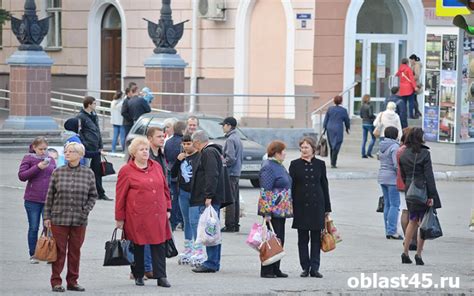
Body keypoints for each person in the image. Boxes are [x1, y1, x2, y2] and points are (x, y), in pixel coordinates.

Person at [115, 136, 172, 288]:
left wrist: (168, 207)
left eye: (146, 149)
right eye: (141, 150)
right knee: (138, 245)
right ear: (134, 153)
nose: (145, 152)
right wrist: (119, 218)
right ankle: (139, 274)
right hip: (137, 215)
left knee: (159, 245)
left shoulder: (156, 166)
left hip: (157, 213)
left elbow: (165, 189)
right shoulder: (126, 170)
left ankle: (161, 276)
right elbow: (120, 196)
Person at [43, 142, 98, 292]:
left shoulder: (88, 173)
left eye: (71, 151)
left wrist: (85, 211)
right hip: (59, 218)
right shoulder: (58, 172)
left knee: (75, 251)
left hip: (79, 220)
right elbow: (50, 196)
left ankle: (73, 281)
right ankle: (56, 281)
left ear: (80, 155)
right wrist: (47, 217)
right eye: (66, 151)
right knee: (59, 251)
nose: (67, 154)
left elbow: (93, 195)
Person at [289, 137, 331, 278]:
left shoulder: (320, 164)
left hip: (317, 205)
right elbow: (291, 187)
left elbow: (324, 186)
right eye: (302, 147)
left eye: (306, 147)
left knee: (316, 238)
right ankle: (305, 267)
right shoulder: (294, 164)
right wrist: (290, 205)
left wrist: (327, 209)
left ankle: (314, 267)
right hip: (300, 206)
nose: (304, 150)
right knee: (302, 239)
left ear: (313, 149)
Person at [399, 127, 441, 265]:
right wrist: (432, 195)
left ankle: (405, 252)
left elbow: (403, 174)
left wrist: (407, 186)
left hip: (409, 190)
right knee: (423, 223)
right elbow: (429, 176)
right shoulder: (424, 153)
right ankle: (418, 254)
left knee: (412, 220)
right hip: (422, 191)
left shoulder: (404, 153)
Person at [190, 130, 230, 273]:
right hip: (215, 197)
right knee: (213, 229)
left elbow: (211, 175)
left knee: (210, 229)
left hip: (211, 198)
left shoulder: (208, 152)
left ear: (197, 142)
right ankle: (213, 261)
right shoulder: (215, 151)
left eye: (194, 143)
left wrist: (208, 196)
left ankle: (211, 262)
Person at [18, 137, 56, 264]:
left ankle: (49, 254)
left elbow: (55, 175)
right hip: (32, 199)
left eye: (45, 149)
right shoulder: (28, 158)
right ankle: (33, 254)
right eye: (40, 149)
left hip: (48, 200)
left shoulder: (50, 159)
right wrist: (38, 167)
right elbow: (22, 176)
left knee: (49, 227)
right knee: (34, 227)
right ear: (34, 147)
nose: (43, 152)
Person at [257, 140, 293, 278]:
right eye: (283, 150)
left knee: (279, 240)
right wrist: (266, 212)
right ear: (276, 152)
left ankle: (276, 268)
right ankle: (267, 269)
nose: (285, 153)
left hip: (281, 210)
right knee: (270, 240)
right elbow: (265, 191)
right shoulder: (268, 167)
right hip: (272, 211)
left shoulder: (279, 165)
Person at [170, 134, 203, 265]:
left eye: (188, 143)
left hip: (195, 193)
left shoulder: (199, 156)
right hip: (183, 192)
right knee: (186, 221)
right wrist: (178, 161)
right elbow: (172, 174)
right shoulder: (182, 157)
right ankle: (188, 248)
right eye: (184, 144)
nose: (186, 146)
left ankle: (198, 249)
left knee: (195, 221)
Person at [77, 96, 111, 201]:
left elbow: (98, 132)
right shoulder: (81, 117)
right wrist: (85, 143)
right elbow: (79, 132)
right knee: (87, 172)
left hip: (96, 148)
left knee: (98, 171)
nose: (96, 105)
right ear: (89, 104)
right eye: (95, 103)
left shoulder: (94, 115)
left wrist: (100, 146)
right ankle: (87, 193)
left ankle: (100, 193)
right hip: (87, 148)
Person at [377, 126, 402, 240]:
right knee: (395, 205)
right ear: (396, 135)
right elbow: (396, 164)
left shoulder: (382, 145)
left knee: (387, 204)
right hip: (392, 179)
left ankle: (388, 229)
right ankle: (392, 231)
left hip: (382, 177)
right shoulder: (395, 147)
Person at [220, 117, 243, 233]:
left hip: (230, 173)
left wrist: (221, 160)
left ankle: (230, 225)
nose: (222, 127)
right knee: (235, 199)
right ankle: (235, 223)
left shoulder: (230, 139)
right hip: (237, 172)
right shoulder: (237, 138)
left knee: (230, 200)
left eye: (223, 125)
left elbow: (230, 158)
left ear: (228, 125)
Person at [396, 127, 417, 250]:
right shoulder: (410, 151)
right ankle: (412, 240)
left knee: (405, 210)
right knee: (414, 213)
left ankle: (406, 239)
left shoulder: (399, 150)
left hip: (400, 183)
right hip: (411, 184)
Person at [164, 120, 187, 231]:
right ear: (183, 130)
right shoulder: (183, 143)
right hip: (180, 173)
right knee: (181, 198)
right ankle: (182, 221)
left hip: (170, 172)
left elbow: (166, 158)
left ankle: (172, 222)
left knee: (173, 198)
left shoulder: (168, 142)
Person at [323, 95, 350, 168]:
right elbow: (347, 120)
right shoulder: (343, 110)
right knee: (337, 144)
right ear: (341, 101)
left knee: (332, 145)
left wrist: (324, 128)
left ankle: (332, 161)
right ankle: (333, 163)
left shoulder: (330, 109)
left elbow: (326, 119)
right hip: (338, 128)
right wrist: (347, 128)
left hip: (330, 128)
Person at [359, 94, 376, 158]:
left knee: (364, 139)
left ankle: (363, 154)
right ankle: (369, 152)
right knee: (373, 138)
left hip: (364, 123)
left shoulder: (362, 106)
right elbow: (371, 115)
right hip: (369, 123)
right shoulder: (370, 106)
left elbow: (361, 116)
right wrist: (375, 117)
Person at [409, 54, 423, 118]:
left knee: (413, 98)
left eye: (411, 60)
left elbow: (417, 75)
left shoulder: (416, 65)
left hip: (415, 84)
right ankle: (417, 111)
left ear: (413, 60)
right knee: (414, 98)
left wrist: (409, 79)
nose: (410, 62)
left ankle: (417, 112)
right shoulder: (414, 65)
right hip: (414, 83)